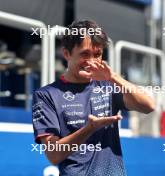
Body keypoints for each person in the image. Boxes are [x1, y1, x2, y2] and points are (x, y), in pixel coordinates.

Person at [32, 20, 155, 176]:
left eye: (97, 54)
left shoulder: (109, 85)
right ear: (66, 54)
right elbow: (54, 155)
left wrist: (113, 77)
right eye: (84, 54)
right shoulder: (46, 95)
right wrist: (90, 128)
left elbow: (149, 106)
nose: (91, 61)